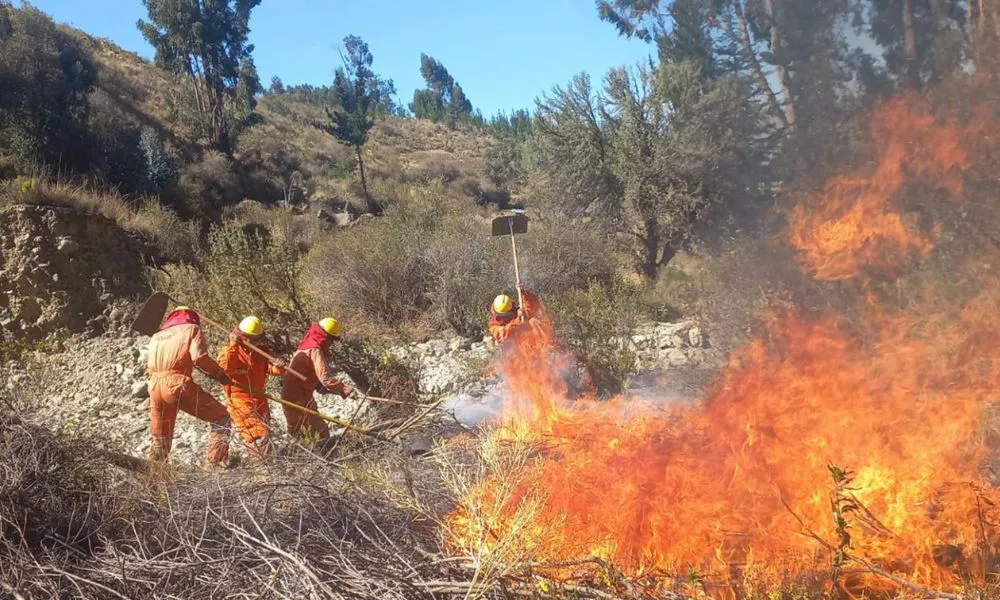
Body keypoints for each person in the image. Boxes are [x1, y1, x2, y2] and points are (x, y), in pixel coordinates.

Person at [146, 306, 233, 465]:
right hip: (177, 384)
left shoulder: (156, 336)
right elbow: (199, 358)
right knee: (221, 417)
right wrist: (219, 374)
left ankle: (155, 473)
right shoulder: (191, 329)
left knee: (161, 436)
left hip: (154, 386)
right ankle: (216, 465)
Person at [217, 316, 286, 462]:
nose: (252, 342)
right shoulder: (229, 351)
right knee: (257, 434)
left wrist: (279, 365)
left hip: (259, 397)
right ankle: (263, 469)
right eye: (249, 338)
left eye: (255, 339)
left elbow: (273, 369)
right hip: (239, 400)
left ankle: (266, 463)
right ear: (241, 336)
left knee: (266, 430)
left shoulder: (261, 352)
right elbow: (224, 369)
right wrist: (233, 346)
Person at [281, 318, 355, 441]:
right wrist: (344, 389)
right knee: (320, 432)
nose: (331, 344)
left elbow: (314, 379)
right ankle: (322, 457)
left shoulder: (307, 344)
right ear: (325, 337)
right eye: (331, 340)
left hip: (296, 395)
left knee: (299, 432)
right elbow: (325, 379)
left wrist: (333, 390)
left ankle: (302, 456)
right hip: (298, 397)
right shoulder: (314, 350)